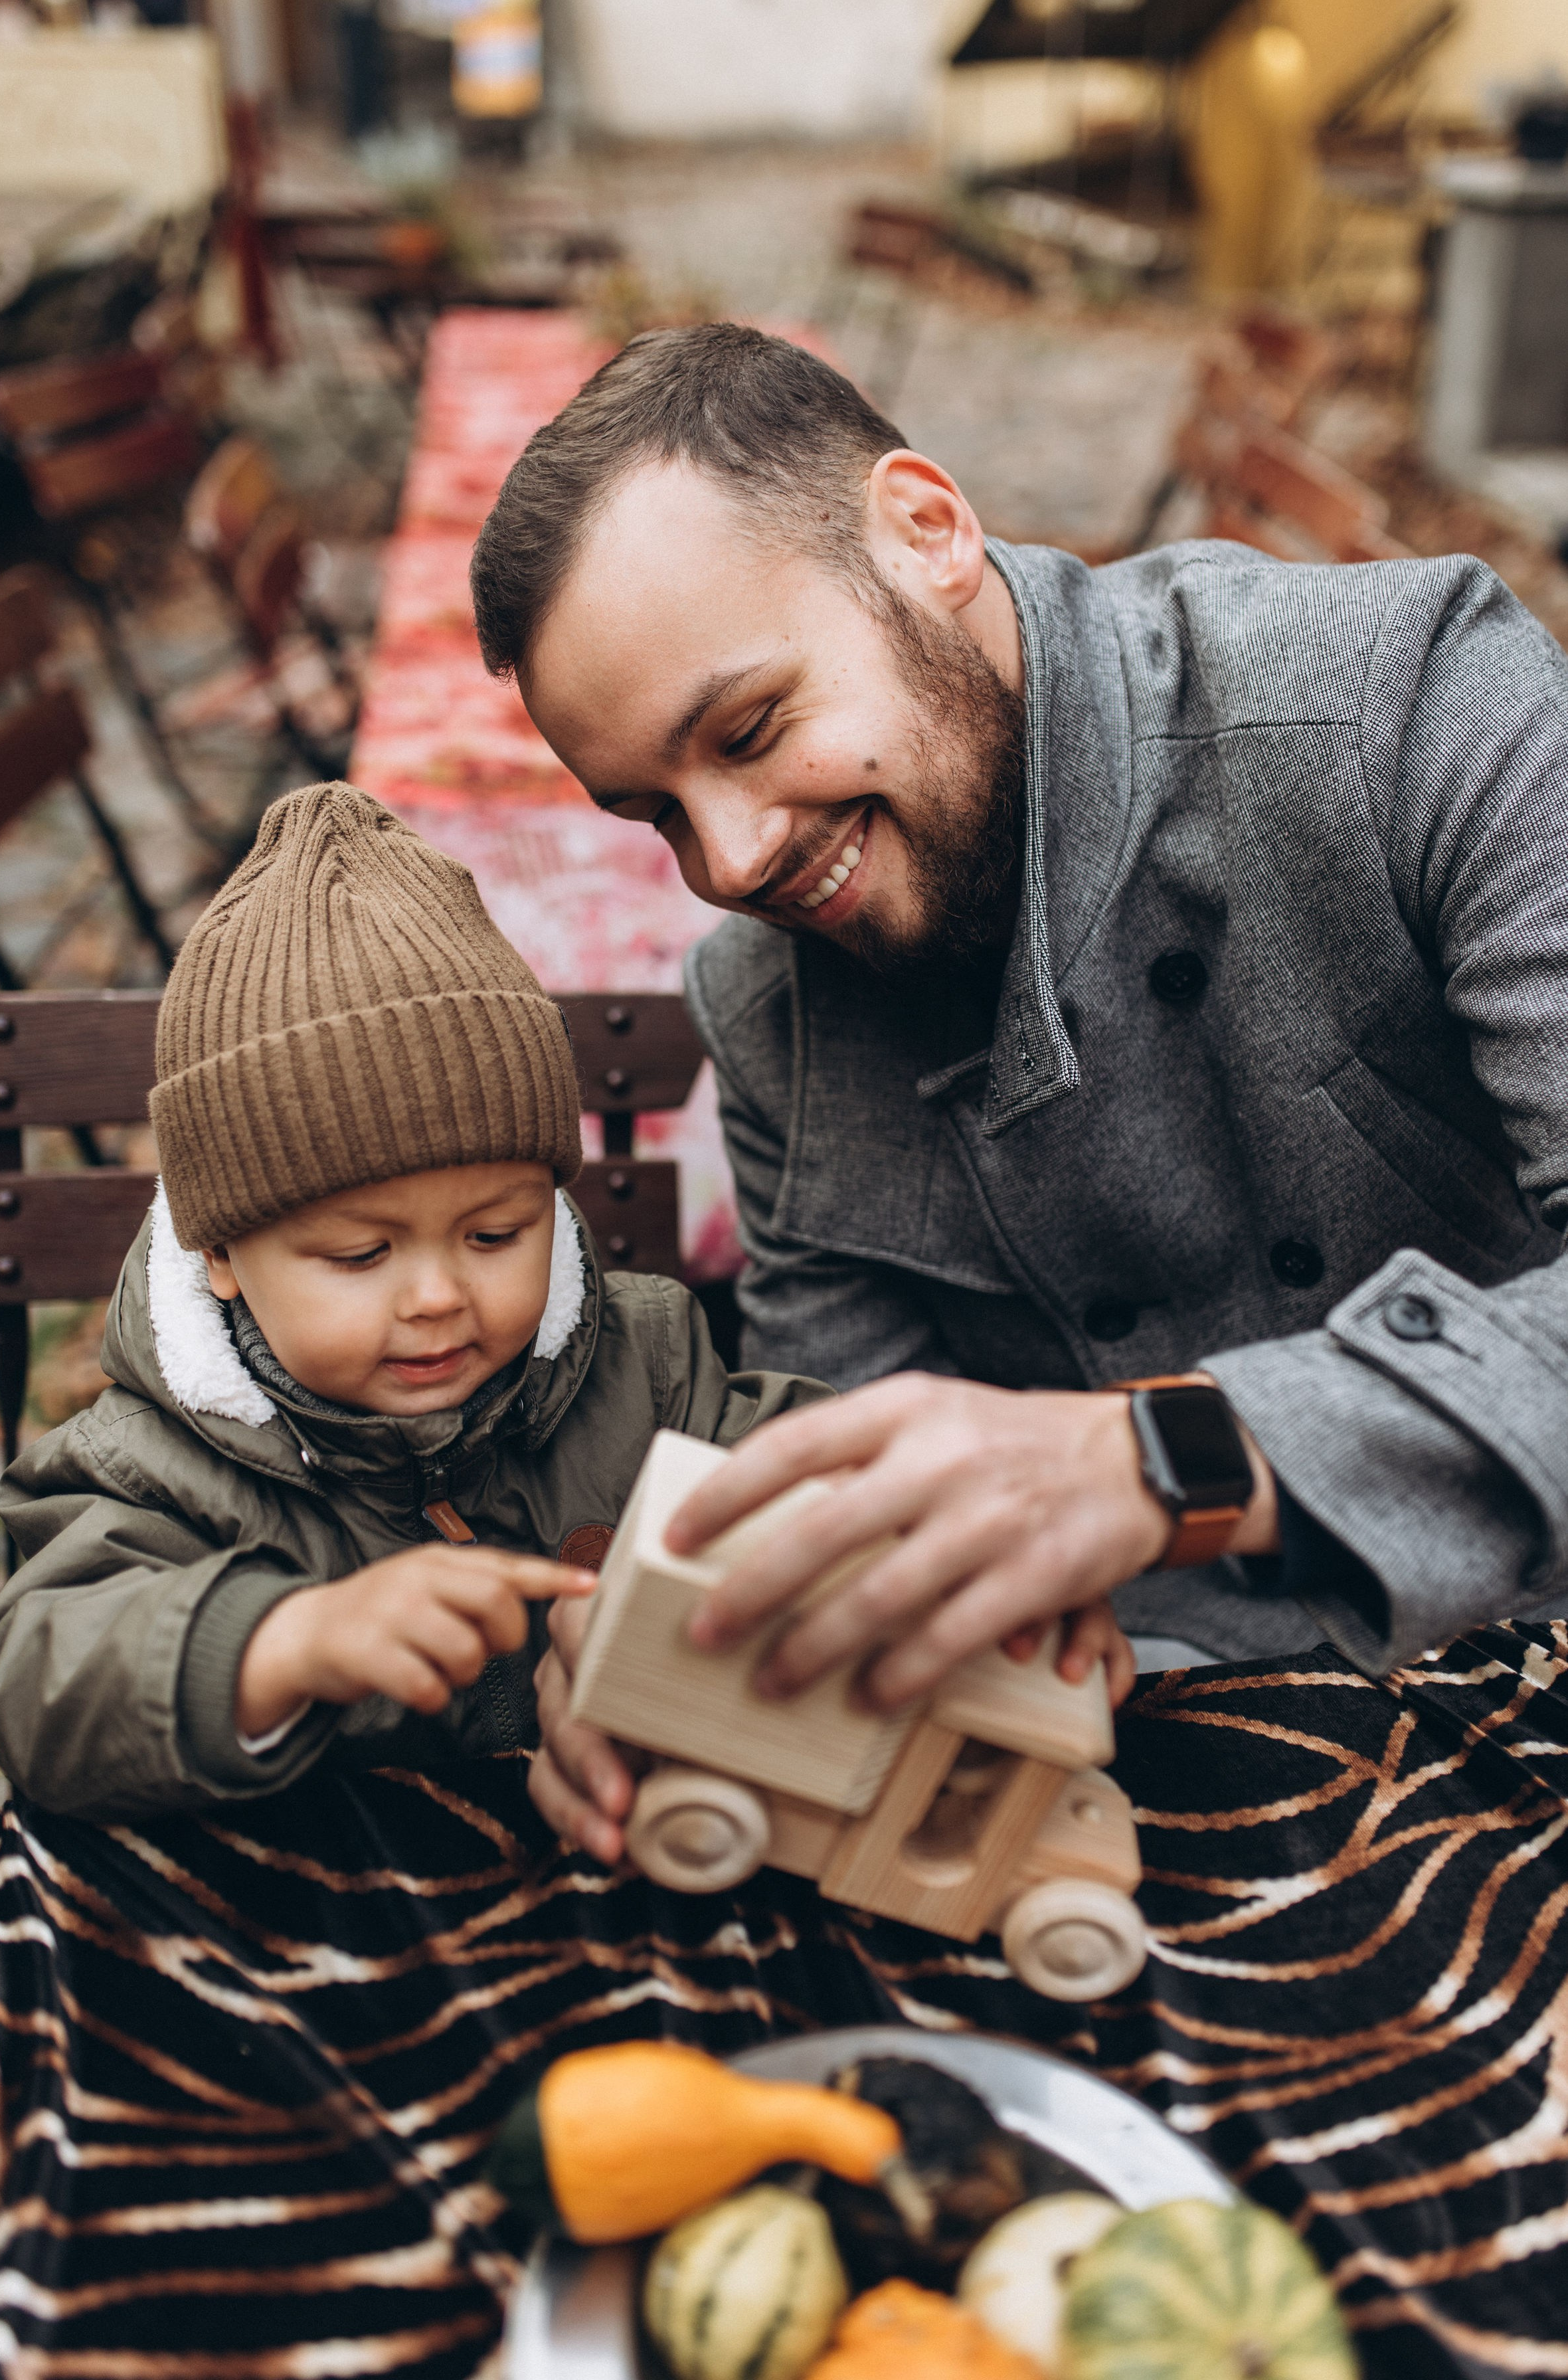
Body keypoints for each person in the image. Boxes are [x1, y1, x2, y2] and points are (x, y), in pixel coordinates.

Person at [465, 323, 1568, 1863]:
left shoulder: (1411, 705)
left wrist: (1154, 1463)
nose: (728, 863)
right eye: (656, 812)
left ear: (926, 531)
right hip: (1146, 1769)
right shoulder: (765, 1017)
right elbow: (844, 1475)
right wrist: (673, 1652)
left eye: (751, 731)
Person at [0, 783, 828, 1820]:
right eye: (361, 1253)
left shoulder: (644, 1366)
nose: (435, 1297)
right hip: (323, 1930)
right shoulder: (154, 1469)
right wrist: (279, 1644)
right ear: (222, 1256)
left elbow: (804, 1483)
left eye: (495, 1235)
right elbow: (32, 1682)